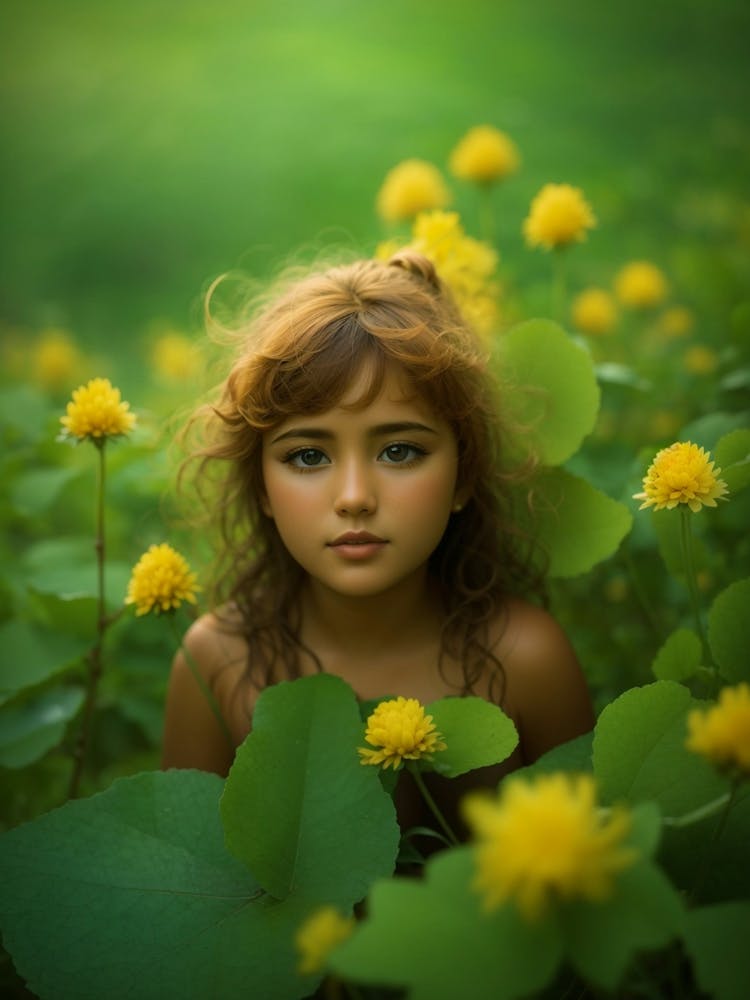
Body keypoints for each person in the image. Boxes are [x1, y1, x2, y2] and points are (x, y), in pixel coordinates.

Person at [162, 249, 595, 837]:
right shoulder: (217, 663)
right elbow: (188, 888)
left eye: (399, 451)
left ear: (464, 476)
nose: (355, 496)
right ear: (260, 484)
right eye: (308, 456)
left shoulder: (526, 661)